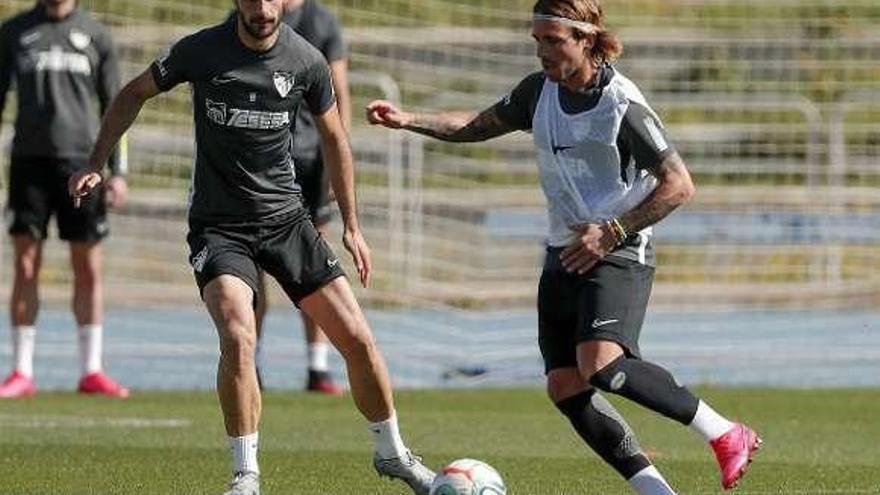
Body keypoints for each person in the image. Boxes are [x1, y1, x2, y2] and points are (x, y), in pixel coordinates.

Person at [366, 1, 761, 493]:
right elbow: (476, 125)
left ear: (587, 39)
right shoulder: (539, 92)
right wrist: (408, 120)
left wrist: (614, 230)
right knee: (565, 384)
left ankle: (724, 432)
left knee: (602, 364)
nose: (542, 52)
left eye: (553, 40)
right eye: (537, 41)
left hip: (619, 248)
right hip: (564, 250)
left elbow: (679, 184)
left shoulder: (623, 105)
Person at [69, 1, 434, 494]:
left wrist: (352, 225)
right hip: (220, 228)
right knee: (239, 335)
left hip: (287, 221)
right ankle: (246, 476)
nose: (262, 8)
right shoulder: (200, 51)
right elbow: (133, 93)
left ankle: (393, 454)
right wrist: (98, 160)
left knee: (358, 339)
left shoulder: (307, 60)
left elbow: (335, 138)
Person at [0, 0, 129, 398]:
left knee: (87, 265)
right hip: (29, 163)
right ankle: (21, 370)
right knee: (25, 264)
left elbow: (117, 107)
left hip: (83, 165)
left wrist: (118, 172)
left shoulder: (97, 34)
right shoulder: (14, 32)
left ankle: (91, 370)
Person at [252, 0, 351, 395]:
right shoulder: (250, 14)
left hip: (311, 161)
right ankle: (251, 360)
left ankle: (317, 366)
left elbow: (340, 91)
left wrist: (340, 158)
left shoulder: (321, 21)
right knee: (251, 258)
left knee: (315, 255)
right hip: (262, 161)